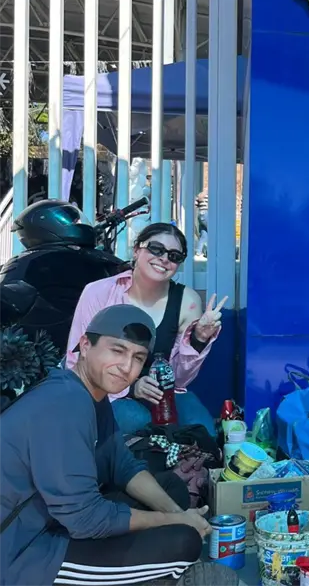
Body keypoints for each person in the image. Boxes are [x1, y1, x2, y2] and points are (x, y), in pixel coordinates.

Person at [0, 304, 237, 586]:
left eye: (138, 358)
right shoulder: (64, 402)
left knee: (171, 489)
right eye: (117, 350)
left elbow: (122, 465)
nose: (127, 368)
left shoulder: (90, 394)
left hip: (54, 521)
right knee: (183, 542)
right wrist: (173, 522)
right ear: (86, 345)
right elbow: (87, 519)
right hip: (21, 553)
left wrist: (176, 513)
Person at [66, 223, 226, 435]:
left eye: (174, 255)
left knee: (203, 431)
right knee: (136, 422)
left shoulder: (187, 301)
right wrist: (130, 388)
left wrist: (198, 339)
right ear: (136, 250)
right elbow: (76, 360)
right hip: (107, 391)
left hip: (163, 395)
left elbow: (179, 379)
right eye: (156, 249)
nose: (164, 259)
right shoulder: (99, 292)